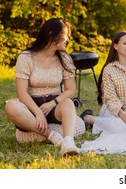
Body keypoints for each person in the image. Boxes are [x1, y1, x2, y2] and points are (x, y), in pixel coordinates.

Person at [4, 18, 79, 156]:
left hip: (55, 105)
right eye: (65, 35)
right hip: (31, 106)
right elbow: (22, 93)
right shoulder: (26, 57)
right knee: (10, 106)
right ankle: (52, 135)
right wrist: (38, 113)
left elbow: (70, 90)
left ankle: (68, 142)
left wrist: (52, 103)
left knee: (68, 103)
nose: (68, 39)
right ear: (52, 35)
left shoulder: (65, 58)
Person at [81, 31, 126, 134]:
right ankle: (89, 119)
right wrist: (122, 113)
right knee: (120, 128)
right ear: (116, 46)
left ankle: (117, 123)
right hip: (114, 110)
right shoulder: (109, 69)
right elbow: (109, 98)